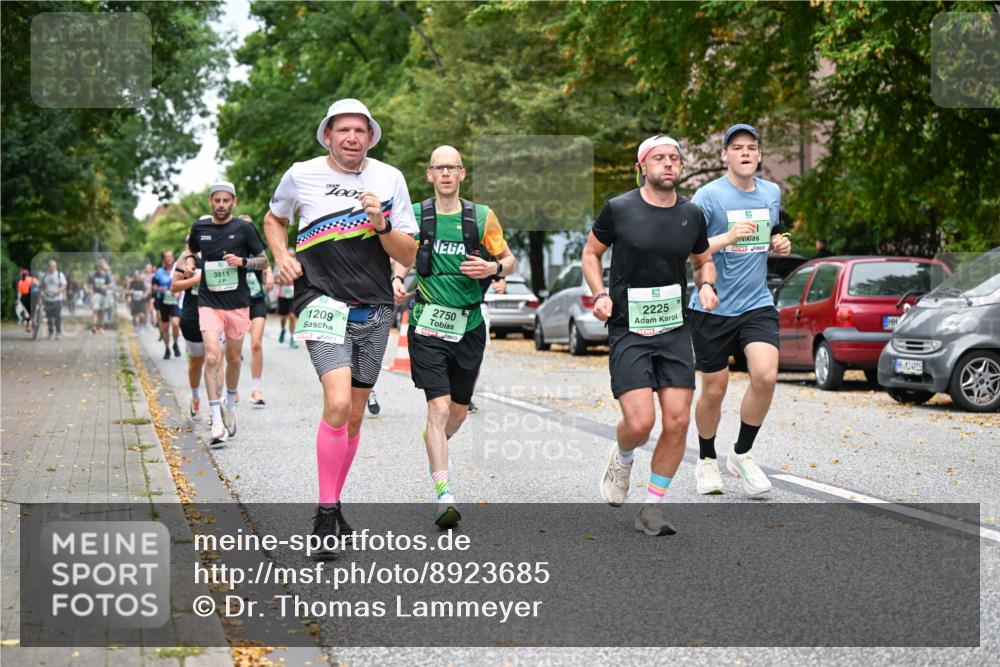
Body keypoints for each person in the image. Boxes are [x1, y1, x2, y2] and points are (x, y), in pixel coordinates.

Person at [264, 98, 417, 555]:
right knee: (335, 402)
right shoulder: (301, 173)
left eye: (360, 131)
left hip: (374, 306)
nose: (351, 137)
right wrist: (282, 255)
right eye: (342, 130)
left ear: (370, 137)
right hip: (320, 299)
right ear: (328, 135)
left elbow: (408, 254)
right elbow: (275, 218)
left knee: (353, 415)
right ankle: (327, 515)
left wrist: (380, 222)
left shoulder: (390, 179)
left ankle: (330, 501)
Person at [584, 134, 718, 536]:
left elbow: (703, 260)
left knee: (677, 421)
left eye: (674, 158)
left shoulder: (692, 214)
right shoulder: (619, 209)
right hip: (629, 327)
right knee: (640, 423)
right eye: (659, 157)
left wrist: (707, 284)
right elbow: (591, 253)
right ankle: (623, 456)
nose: (669, 163)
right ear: (642, 166)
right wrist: (600, 294)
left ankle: (652, 509)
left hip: (674, 327)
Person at [392, 145, 515, 527]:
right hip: (428, 321)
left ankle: (435, 440)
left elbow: (508, 258)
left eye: (452, 167)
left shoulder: (481, 216)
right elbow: (401, 252)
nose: (445, 173)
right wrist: (397, 277)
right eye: (438, 168)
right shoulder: (414, 214)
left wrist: (493, 267)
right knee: (439, 407)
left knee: (458, 412)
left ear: (462, 174)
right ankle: (444, 494)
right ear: (430, 174)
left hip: (469, 325)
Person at [687, 124, 792, 496]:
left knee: (764, 376)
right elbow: (689, 249)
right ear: (724, 156)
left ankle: (743, 453)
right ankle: (705, 459)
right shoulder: (707, 197)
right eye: (737, 148)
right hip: (712, 306)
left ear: (760, 155)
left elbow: (771, 234)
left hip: (756, 303)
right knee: (714, 389)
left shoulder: (771, 192)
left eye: (752, 147)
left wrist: (779, 243)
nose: (745, 153)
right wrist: (728, 238)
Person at [183, 182, 267, 446]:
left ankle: (230, 403)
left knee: (233, 357)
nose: (221, 205)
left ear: (234, 201)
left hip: (237, 303)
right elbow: (190, 250)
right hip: (208, 301)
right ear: (210, 201)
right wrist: (188, 261)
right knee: (211, 356)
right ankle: (216, 420)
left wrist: (243, 262)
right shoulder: (200, 227)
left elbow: (264, 261)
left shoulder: (244, 229)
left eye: (225, 201)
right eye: (216, 200)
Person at [238, 214, 274, 406]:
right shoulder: (232, 248)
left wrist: (269, 275)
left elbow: (266, 263)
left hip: (257, 299)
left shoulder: (257, 249)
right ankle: (232, 388)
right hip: (236, 302)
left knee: (256, 344)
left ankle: (256, 389)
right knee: (233, 350)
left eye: (249, 226)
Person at [171, 251, 209, 420]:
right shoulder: (186, 259)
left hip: (217, 311)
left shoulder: (223, 249)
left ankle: (216, 408)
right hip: (192, 315)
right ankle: (195, 396)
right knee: (196, 360)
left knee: (214, 358)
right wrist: (194, 279)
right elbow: (174, 287)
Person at [153, 251, 182, 359]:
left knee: (175, 323)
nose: (169, 258)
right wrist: (161, 289)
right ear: (163, 259)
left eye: (170, 256)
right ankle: (167, 349)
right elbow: (154, 287)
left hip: (174, 300)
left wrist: (179, 292)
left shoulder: (178, 270)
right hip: (163, 301)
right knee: (165, 327)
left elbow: (182, 283)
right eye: (167, 257)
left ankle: (175, 343)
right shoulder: (159, 272)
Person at [275, 247, 298, 348]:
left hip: (293, 295)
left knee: (292, 316)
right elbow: (274, 279)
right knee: (284, 317)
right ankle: (283, 329)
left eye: (293, 255)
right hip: (282, 294)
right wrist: (283, 281)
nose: (291, 257)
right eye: (289, 255)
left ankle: (293, 338)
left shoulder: (297, 265)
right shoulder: (280, 265)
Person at [41, 259, 67, 339]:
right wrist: (42, 292)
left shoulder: (60, 274)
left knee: (57, 316)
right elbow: (42, 285)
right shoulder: (45, 275)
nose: (52, 268)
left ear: (56, 266)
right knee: (49, 317)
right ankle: (50, 332)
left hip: (57, 299)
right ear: (48, 267)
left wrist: (58, 290)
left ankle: (58, 332)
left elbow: (64, 285)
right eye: (50, 266)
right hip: (47, 299)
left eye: (54, 266)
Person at [88, 259, 114, 334]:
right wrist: (90, 290)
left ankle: (101, 327)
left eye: (100, 268)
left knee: (102, 312)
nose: (99, 269)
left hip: (103, 295)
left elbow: (110, 284)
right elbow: (90, 284)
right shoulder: (92, 275)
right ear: (96, 268)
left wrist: (105, 286)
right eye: (97, 268)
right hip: (96, 295)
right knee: (95, 310)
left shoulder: (106, 275)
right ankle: (94, 326)